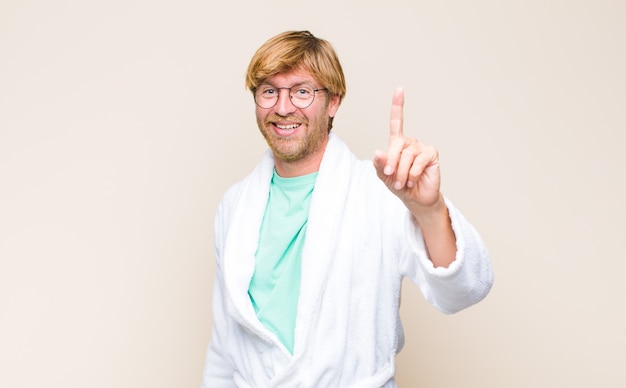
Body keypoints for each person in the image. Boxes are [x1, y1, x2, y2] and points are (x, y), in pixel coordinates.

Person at [201, 30, 493, 387]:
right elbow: (224, 344)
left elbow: (464, 290)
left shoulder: (381, 191)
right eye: (269, 91)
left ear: (334, 102)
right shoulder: (234, 205)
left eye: (302, 91)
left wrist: (429, 210)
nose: (282, 107)